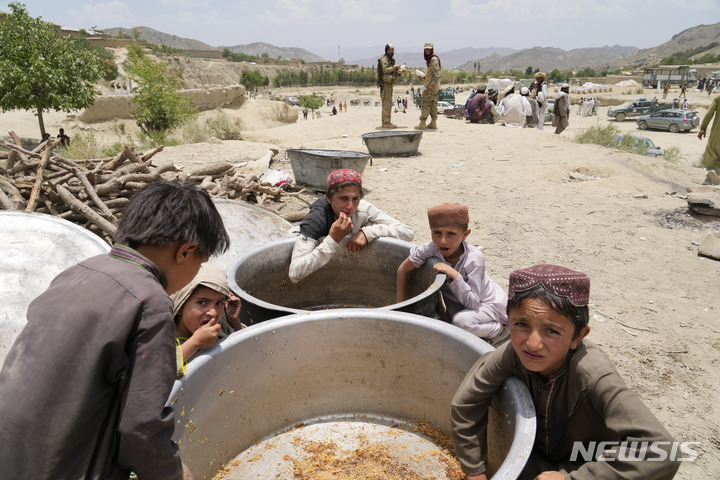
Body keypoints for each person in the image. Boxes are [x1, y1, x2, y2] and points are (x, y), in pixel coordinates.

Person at [0, 181, 231, 480]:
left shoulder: (80, 271)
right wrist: (175, 474)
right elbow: (140, 429)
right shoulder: (150, 301)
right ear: (185, 252)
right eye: (200, 262)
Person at [451, 264, 681, 480]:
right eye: (521, 324)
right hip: (537, 458)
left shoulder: (593, 374)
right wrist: (474, 470)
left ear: (578, 336)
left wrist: (575, 478)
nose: (532, 343)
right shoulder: (512, 352)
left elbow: (663, 450)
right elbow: (466, 404)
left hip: (591, 465)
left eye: (550, 330)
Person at [396, 204, 507, 340]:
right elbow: (403, 269)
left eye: (451, 234)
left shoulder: (474, 260)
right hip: (459, 305)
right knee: (439, 324)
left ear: (465, 234)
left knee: (460, 323)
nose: (442, 241)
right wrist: (399, 308)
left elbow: (474, 304)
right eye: (437, 233)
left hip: (487, 305)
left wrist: (454, 275)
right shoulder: (432, 248)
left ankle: (498, 329)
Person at [288, 169, 413, 283]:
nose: (350, 206)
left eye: (355, 199)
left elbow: (407, 232)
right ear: (329, 199)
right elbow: (295, 273)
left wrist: (367, 232)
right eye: (343, 198)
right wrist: (333, 239)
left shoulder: (363, 209)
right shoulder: (317, 220)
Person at [172, 264, 243, 374]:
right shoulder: (163, 338)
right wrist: (194, 343)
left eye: (219, 303)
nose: (213, 313)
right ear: (180, 305)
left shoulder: (220, 326)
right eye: (202, 302)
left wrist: (234, 322)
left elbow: (247, 351)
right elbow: (153, 373)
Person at [415, 42, 441, 130]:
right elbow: (432, 75)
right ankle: (433, 123)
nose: (427, 51)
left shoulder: (433, 59)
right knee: (433, 105)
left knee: (425, 104)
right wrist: (424, 77)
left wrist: (429, 87)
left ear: (432, 49)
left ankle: (422, 123)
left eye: (429, 49)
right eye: (426, 49)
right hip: (434, 87)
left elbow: (437, 75)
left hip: (430, 87)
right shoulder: (431, 59)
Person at [378, 43, 402, 128]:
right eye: (389, 50)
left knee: (388, 103)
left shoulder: (389, 60)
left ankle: (385, 122)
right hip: (385, 85)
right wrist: (394, 67)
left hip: (389, 84)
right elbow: (385, 70)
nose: (391, 52)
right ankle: (386, 123)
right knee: (387, 103)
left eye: (392, 50)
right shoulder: (384, 59)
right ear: (386, 50)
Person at [698, 93, 720, 185]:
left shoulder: (718, 97)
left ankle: (709, 178)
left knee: (711, 153)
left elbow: (709, 113)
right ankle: (716, 173)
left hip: (717, 134)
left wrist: (703, 128)